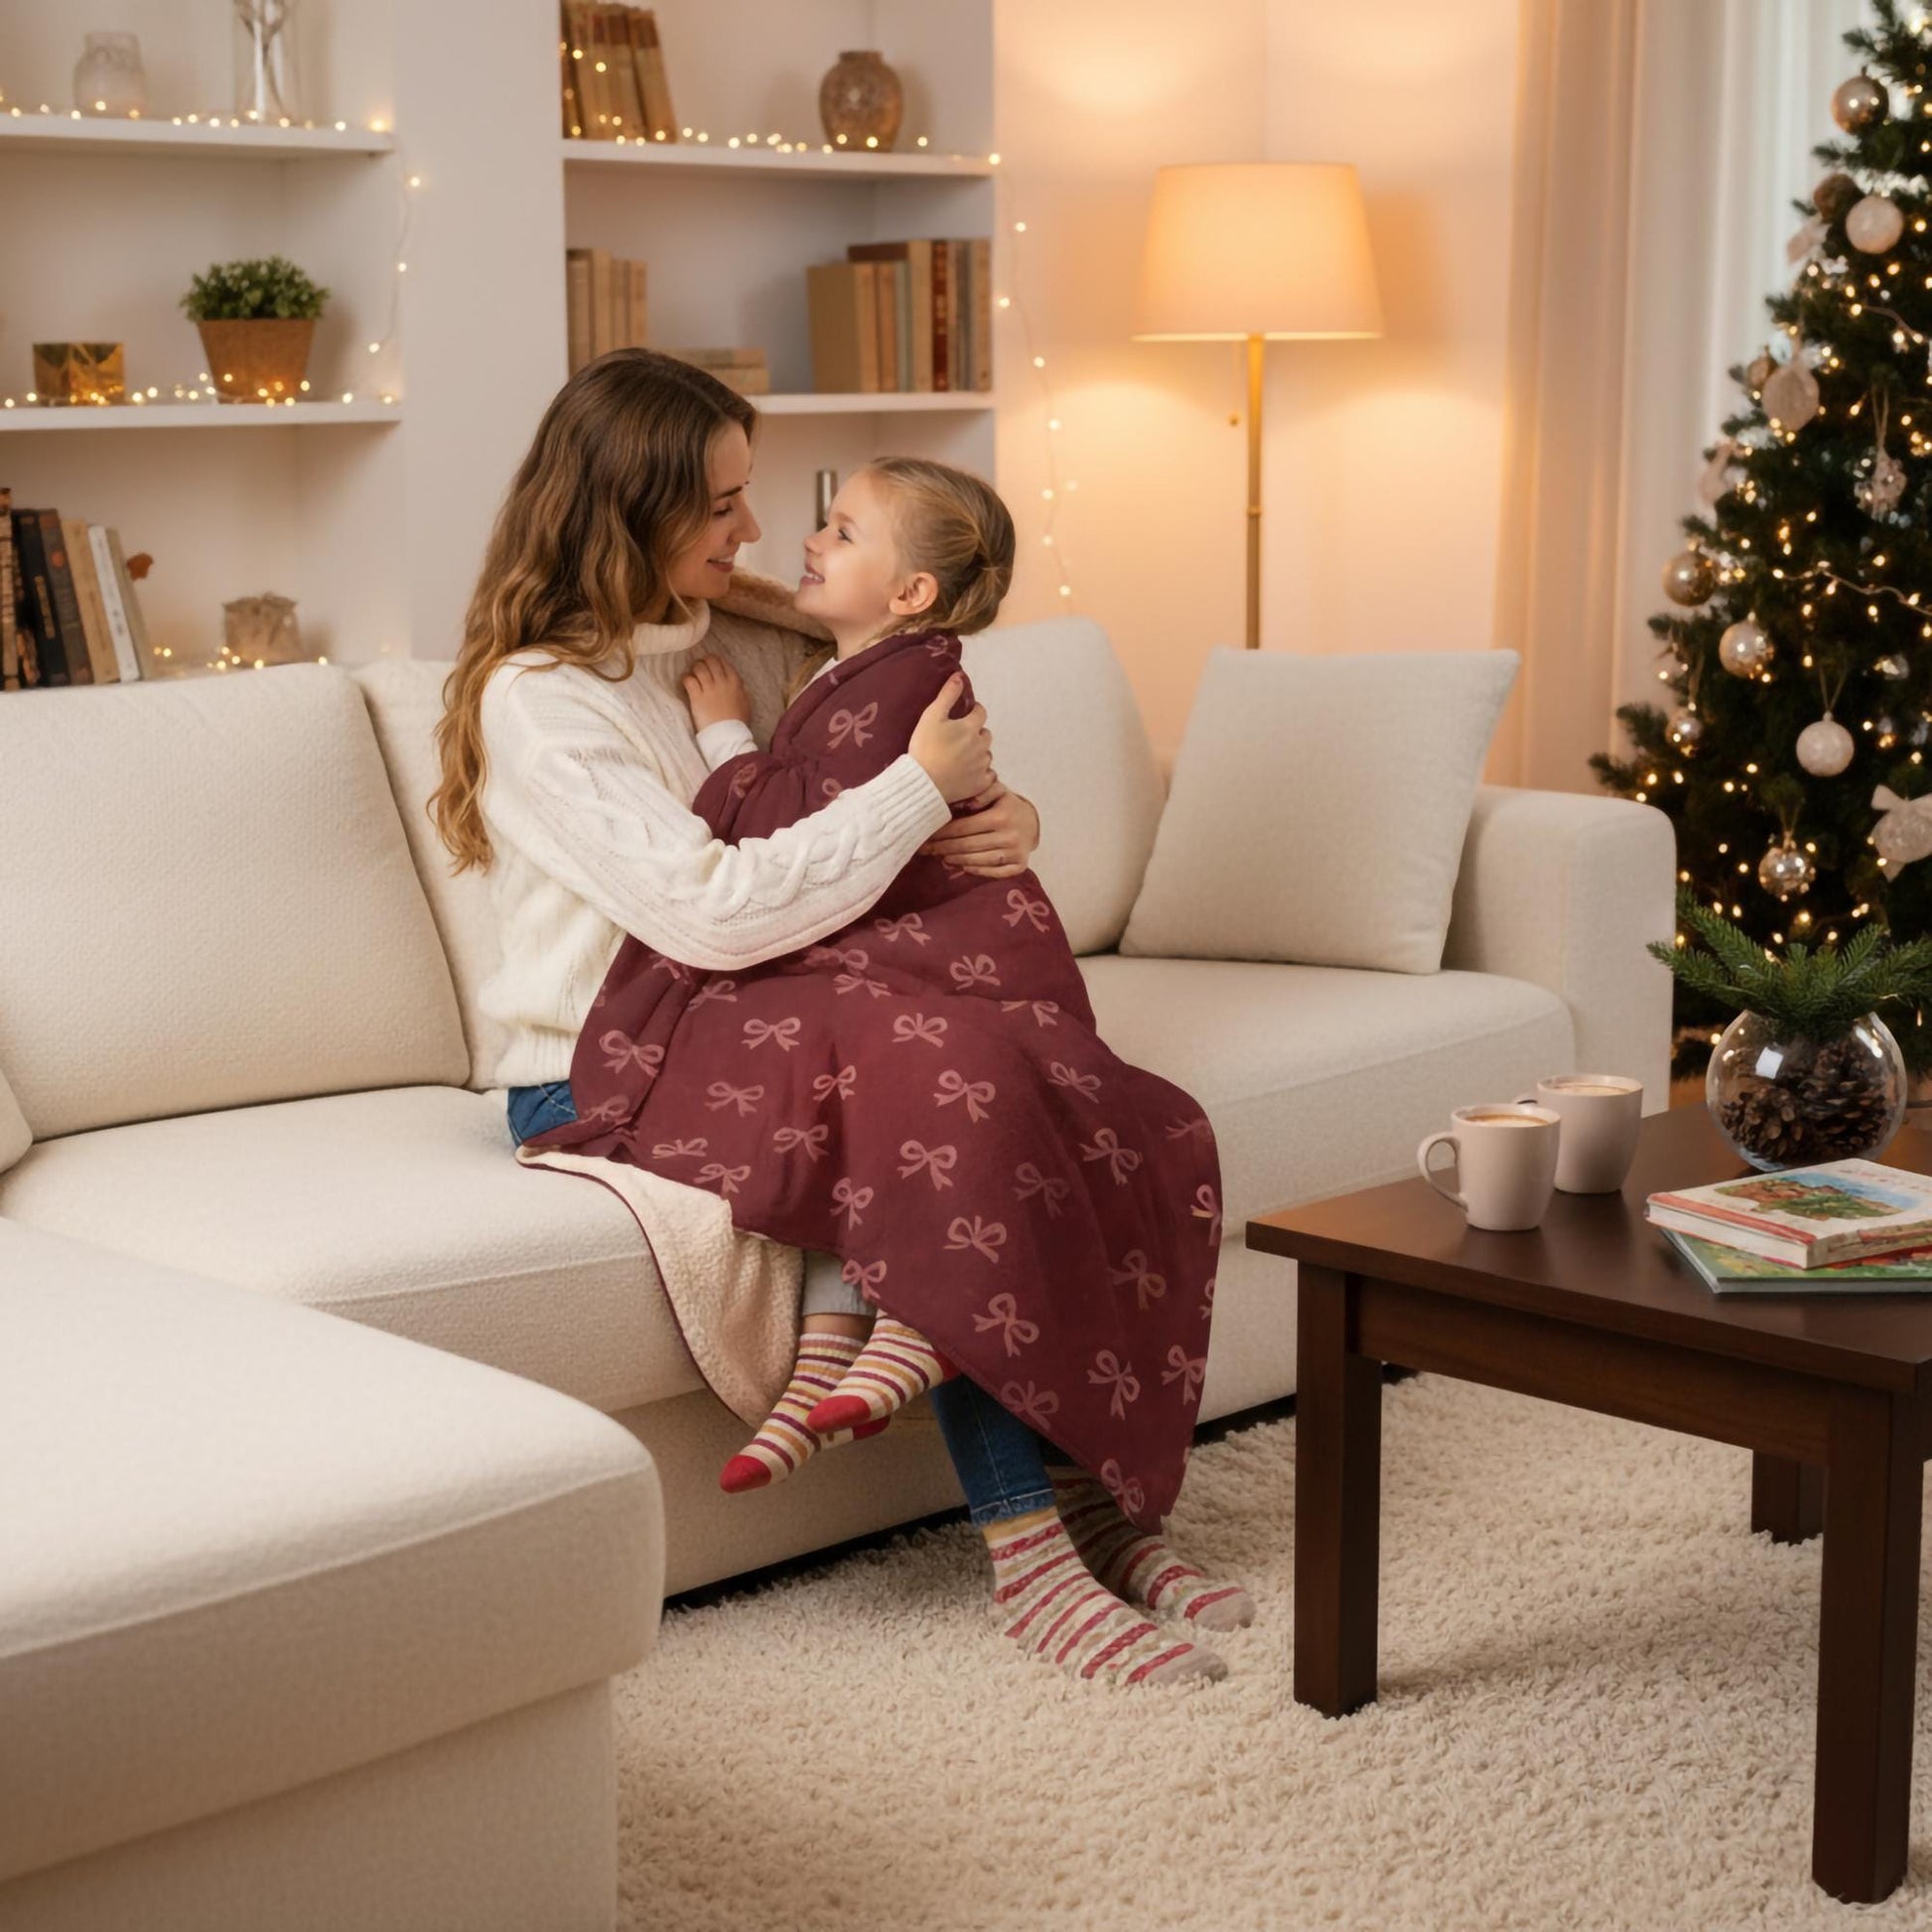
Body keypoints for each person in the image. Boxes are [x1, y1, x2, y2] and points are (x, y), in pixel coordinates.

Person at [433, 351, 1250, 1689]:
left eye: (753, 501)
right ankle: (1032, 1549)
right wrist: (920, 797)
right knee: (953, 1094)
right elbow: (712, 907)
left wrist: (1002, 817)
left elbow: (888, 736)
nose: (750, 532)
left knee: (1107, 1102)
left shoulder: (712, 637)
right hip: (601, 1065)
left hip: (763, 1016)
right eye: (717, 505)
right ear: (628, 511)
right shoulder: (540, 701)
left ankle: (1108, 1497)